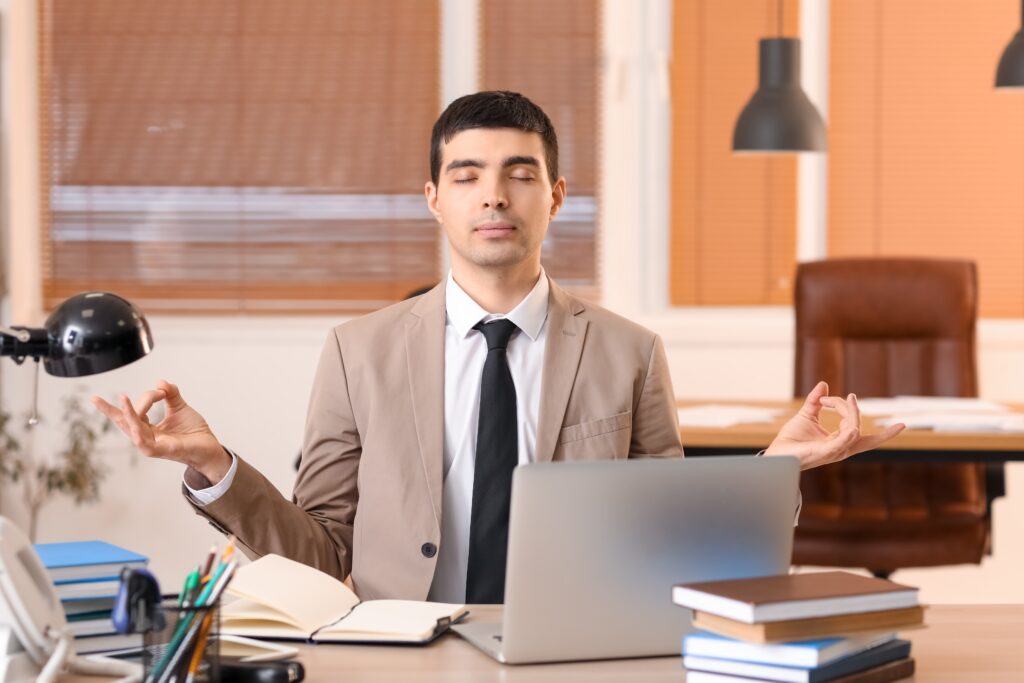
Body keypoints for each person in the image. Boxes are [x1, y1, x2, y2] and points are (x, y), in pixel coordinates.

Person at [94, 91, 904, 604]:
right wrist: (215, 467)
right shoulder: (356, 352)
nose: (493, 194)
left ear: (555, 195)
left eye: (519, 173)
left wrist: (775, 468)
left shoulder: (629, 353)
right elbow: (322, 552)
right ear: (434, 198)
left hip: (572, 652)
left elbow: (669, 551)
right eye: (467, 174)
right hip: (403, 653)